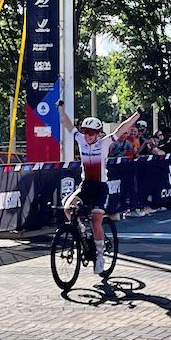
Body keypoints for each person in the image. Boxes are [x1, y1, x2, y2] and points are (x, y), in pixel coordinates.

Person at [58, 101, 142, 275]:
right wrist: (60, 109)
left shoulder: (104, 143)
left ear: (97, 134)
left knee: (96, 220)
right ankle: (81, 233)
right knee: (67, 208)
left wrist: (137, 115)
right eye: (85, 132)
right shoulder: (80, 140)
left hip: (100, 187)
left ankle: (100, 256)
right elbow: (67, 124)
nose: (87, 135)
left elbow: (121, 128)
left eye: (91, 133)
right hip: (86, 185)